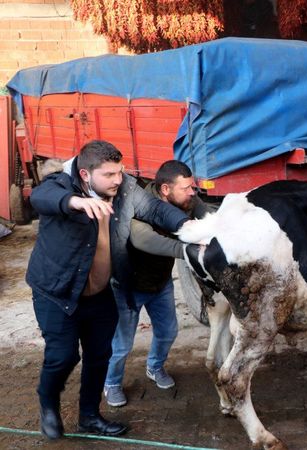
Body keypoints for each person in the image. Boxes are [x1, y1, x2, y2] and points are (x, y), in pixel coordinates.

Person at [27, 141, 189, 440]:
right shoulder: (61, 184)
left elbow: (154, 209)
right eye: (110, 174)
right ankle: (48, 405)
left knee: (100, 355)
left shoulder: (124, 188)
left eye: (120, 172)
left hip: (101, 294)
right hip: (58, 293)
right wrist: (75, 202)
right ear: (86, 174)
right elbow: (41, 196)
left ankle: (89, 416)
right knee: (63, 357)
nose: (119, 179)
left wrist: (190, 228)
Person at [103, 160, 209, 407]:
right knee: (121, 345)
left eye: (192, 187)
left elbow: (208, 217)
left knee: (168, 332)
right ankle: (111, 383)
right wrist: (188, 250)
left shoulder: (187, 200)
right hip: (127, 286)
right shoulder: (137, 205)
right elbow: (144, 240)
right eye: (186, 188)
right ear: (165, 190)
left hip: (160, 284)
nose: (192, 193)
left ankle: (155, 367)